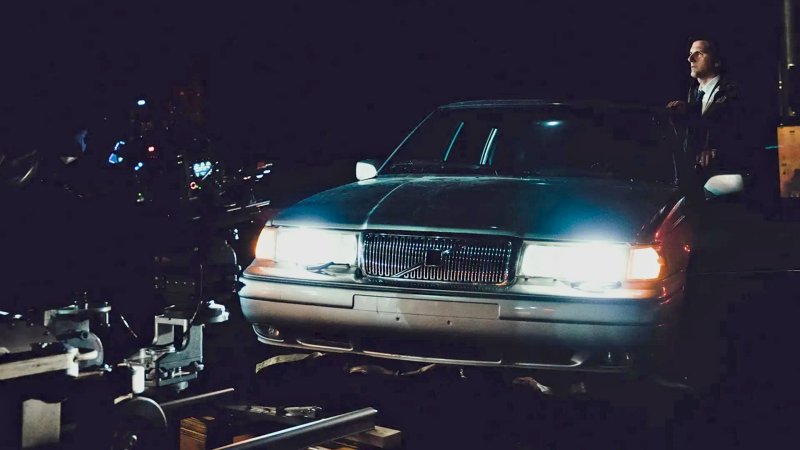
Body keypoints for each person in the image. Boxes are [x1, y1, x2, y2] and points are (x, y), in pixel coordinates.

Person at [666, 38, 744, 174]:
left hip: (723, 173)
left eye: (699, 53)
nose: (690, 59)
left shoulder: (734, 94)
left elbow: (741, 134)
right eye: (690, 53)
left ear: (717, 61)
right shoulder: (693, 93)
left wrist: (716, 151)